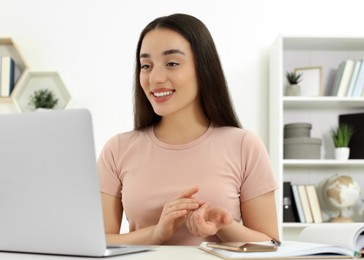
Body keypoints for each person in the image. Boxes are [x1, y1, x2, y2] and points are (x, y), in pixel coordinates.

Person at [98, 13, 279, 246]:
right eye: (146, 66)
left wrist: (225, 226)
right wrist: (156, 234)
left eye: (172, 63)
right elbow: (97, 243)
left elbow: (271, 244)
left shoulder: (245, 145)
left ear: (203, 68)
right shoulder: (117, 149)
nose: (155, 77)